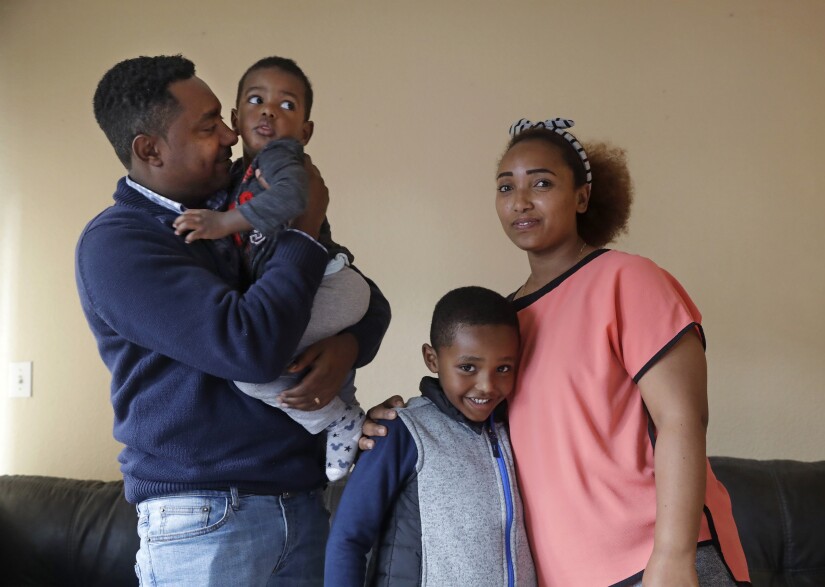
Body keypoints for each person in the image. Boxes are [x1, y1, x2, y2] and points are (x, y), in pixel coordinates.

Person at [77, 55, 389, 586]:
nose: (230, 134)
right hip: (203, 517)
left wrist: (348, 348)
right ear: (150, 149)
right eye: (208, 127)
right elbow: (250, 347)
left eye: (224, 118)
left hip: (302, 501)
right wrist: (303, 231)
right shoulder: (118, 244)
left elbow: (368, 299)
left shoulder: (238, 199)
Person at [491, 118, 751, 586]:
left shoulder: (627, 279)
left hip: (655, 562)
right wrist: (387, 423)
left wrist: (672, 556)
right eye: (506, 186)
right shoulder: (500, 323)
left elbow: (682, 418)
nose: (520, 201)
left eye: (542, 183)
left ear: (582, 197)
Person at [173, 57, 370, 481]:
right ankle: (345, 423)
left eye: (286, 106)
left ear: (305, 132)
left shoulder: (282, 158)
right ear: (235, 119)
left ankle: (338, 419)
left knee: (252, 369)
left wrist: (221, 223)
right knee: (295, 359)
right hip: (321, 288)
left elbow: (293, 199)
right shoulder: (236, 176)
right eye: (256, 100)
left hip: (332, 285)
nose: (268, 112)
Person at [325, 287, 536, 587]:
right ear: (432, 359)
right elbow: (348, 538)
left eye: (503, 368)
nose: (487, 385)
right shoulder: (400, 431)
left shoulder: (511, 429)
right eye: (468, 367)